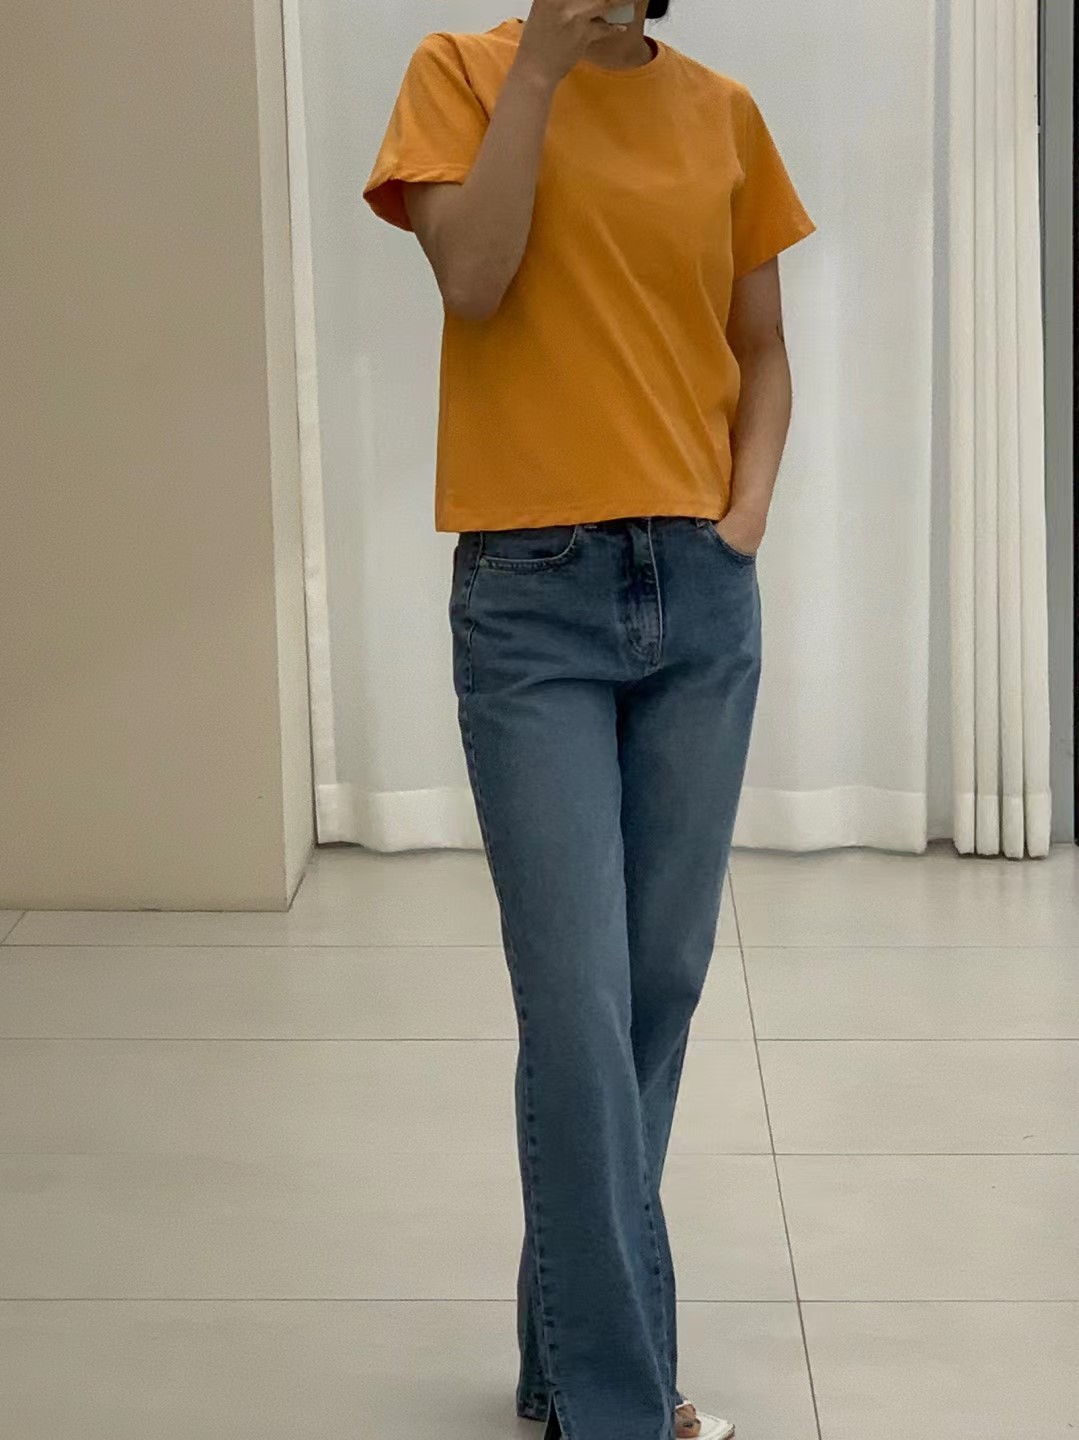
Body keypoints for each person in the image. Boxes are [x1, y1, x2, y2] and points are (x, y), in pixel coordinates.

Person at [365, 3, 815, 1436]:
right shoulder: (460, 72)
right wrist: (544, 72)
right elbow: (474, 280)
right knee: (575, 1010)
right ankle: (620, 1407)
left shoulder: (724, 111)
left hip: (699, 592)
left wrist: (742, 520)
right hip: (531, 597)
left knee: (652, 998)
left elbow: (762, 348)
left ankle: (564, 1364)